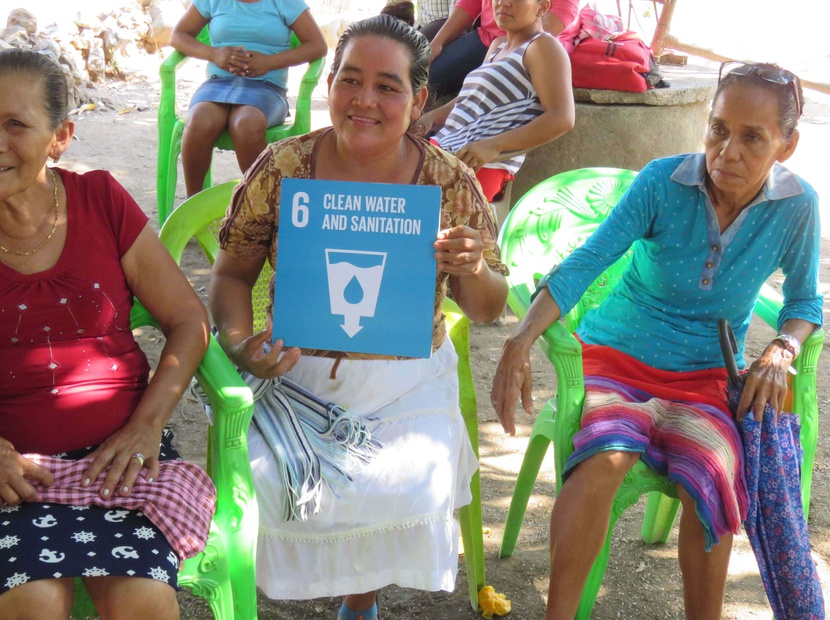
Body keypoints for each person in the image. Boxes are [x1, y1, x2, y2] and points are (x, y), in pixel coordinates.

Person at [491, 61, 822, 619]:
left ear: (785, 147)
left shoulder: (797, 207)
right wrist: (521, 338)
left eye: (752, 138)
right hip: (616, 358)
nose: (727, 152)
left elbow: (804, 302)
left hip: (704, 377)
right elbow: (588, 259)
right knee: (605, 459)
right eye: (718, 129)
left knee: (715, 472)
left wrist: (781, 349)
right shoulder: (663, 182)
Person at [209, 14, 508, 620]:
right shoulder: (284, 166)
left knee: (405, 482)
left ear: (419, 98)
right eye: (350, 80)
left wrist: (472, 268)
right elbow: (231, 273)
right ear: (328, 86)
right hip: (296, 375)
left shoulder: (448, 182)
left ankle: (360, 600)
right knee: (270, 483)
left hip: (409, 380)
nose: (364, 100)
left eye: (388, 86)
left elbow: (487, 309)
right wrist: (239, 344)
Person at [0, 49, 213, 619]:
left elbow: (189, 320)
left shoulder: (99, 199)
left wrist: (148, 425)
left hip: (118, 463)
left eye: (14, 125)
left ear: (59, 136)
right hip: (11, 475)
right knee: (31, 601)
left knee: (143, 602)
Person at [412, 0, 574, 202]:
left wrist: (494, 146)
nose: (502, 3)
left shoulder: (543, 46)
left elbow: (562, 117)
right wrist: (430, 118)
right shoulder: (498, 46)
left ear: (542, 7)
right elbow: (470, 100)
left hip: (478, 165)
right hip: (444, 152)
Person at [170, 0, 327, 198]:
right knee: (198, 121)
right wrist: (213, 54)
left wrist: (270, 62)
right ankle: (193, 205)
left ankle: (259, 207)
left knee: (246, 123)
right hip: (218, 83)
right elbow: (178, 35)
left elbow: (317, 45)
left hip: (267, 87)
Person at [428, 0, 579, 102]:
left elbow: (561, 117)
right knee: (425, 78)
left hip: (524, 49)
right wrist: (437, 43)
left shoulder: (545, 49)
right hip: (486, 39)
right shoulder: (495, 43)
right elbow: (470, 4)